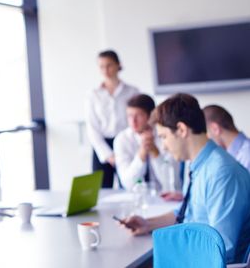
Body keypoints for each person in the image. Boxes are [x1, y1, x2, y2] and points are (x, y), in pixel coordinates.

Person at [121, 93, 250, 264]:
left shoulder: (221, 173)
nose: (164, 147)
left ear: (181, 130)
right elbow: (186, 213)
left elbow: (222, 251)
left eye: (164, 137)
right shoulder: (197, 164)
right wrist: (147, 224)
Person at [85, 50, 139, 188]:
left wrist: (121, 152)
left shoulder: (132, 92)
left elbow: (138, 120)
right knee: (101, 191)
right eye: (101, 66)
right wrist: (108, 155)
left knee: (129, 185)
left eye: (109, 65)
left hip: (126, 143)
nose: (105, 70)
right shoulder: (94, 94)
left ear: (118, 65)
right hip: (102, 145)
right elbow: (92, 128)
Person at [114, 94, 180, 192]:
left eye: (139, 115)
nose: (133, 121)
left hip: (164, 197)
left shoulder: (166, 136)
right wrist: (141, 154)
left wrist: (155, 153)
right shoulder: (121, 139)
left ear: (150, 116)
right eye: (129, 116)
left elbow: (172, 184)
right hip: (136, 198)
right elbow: (127, 183)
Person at [203, 104, 250, 172]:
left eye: (206, 134)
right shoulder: (227, 157)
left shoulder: (247, 155)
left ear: (215, 129)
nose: (206, 140)